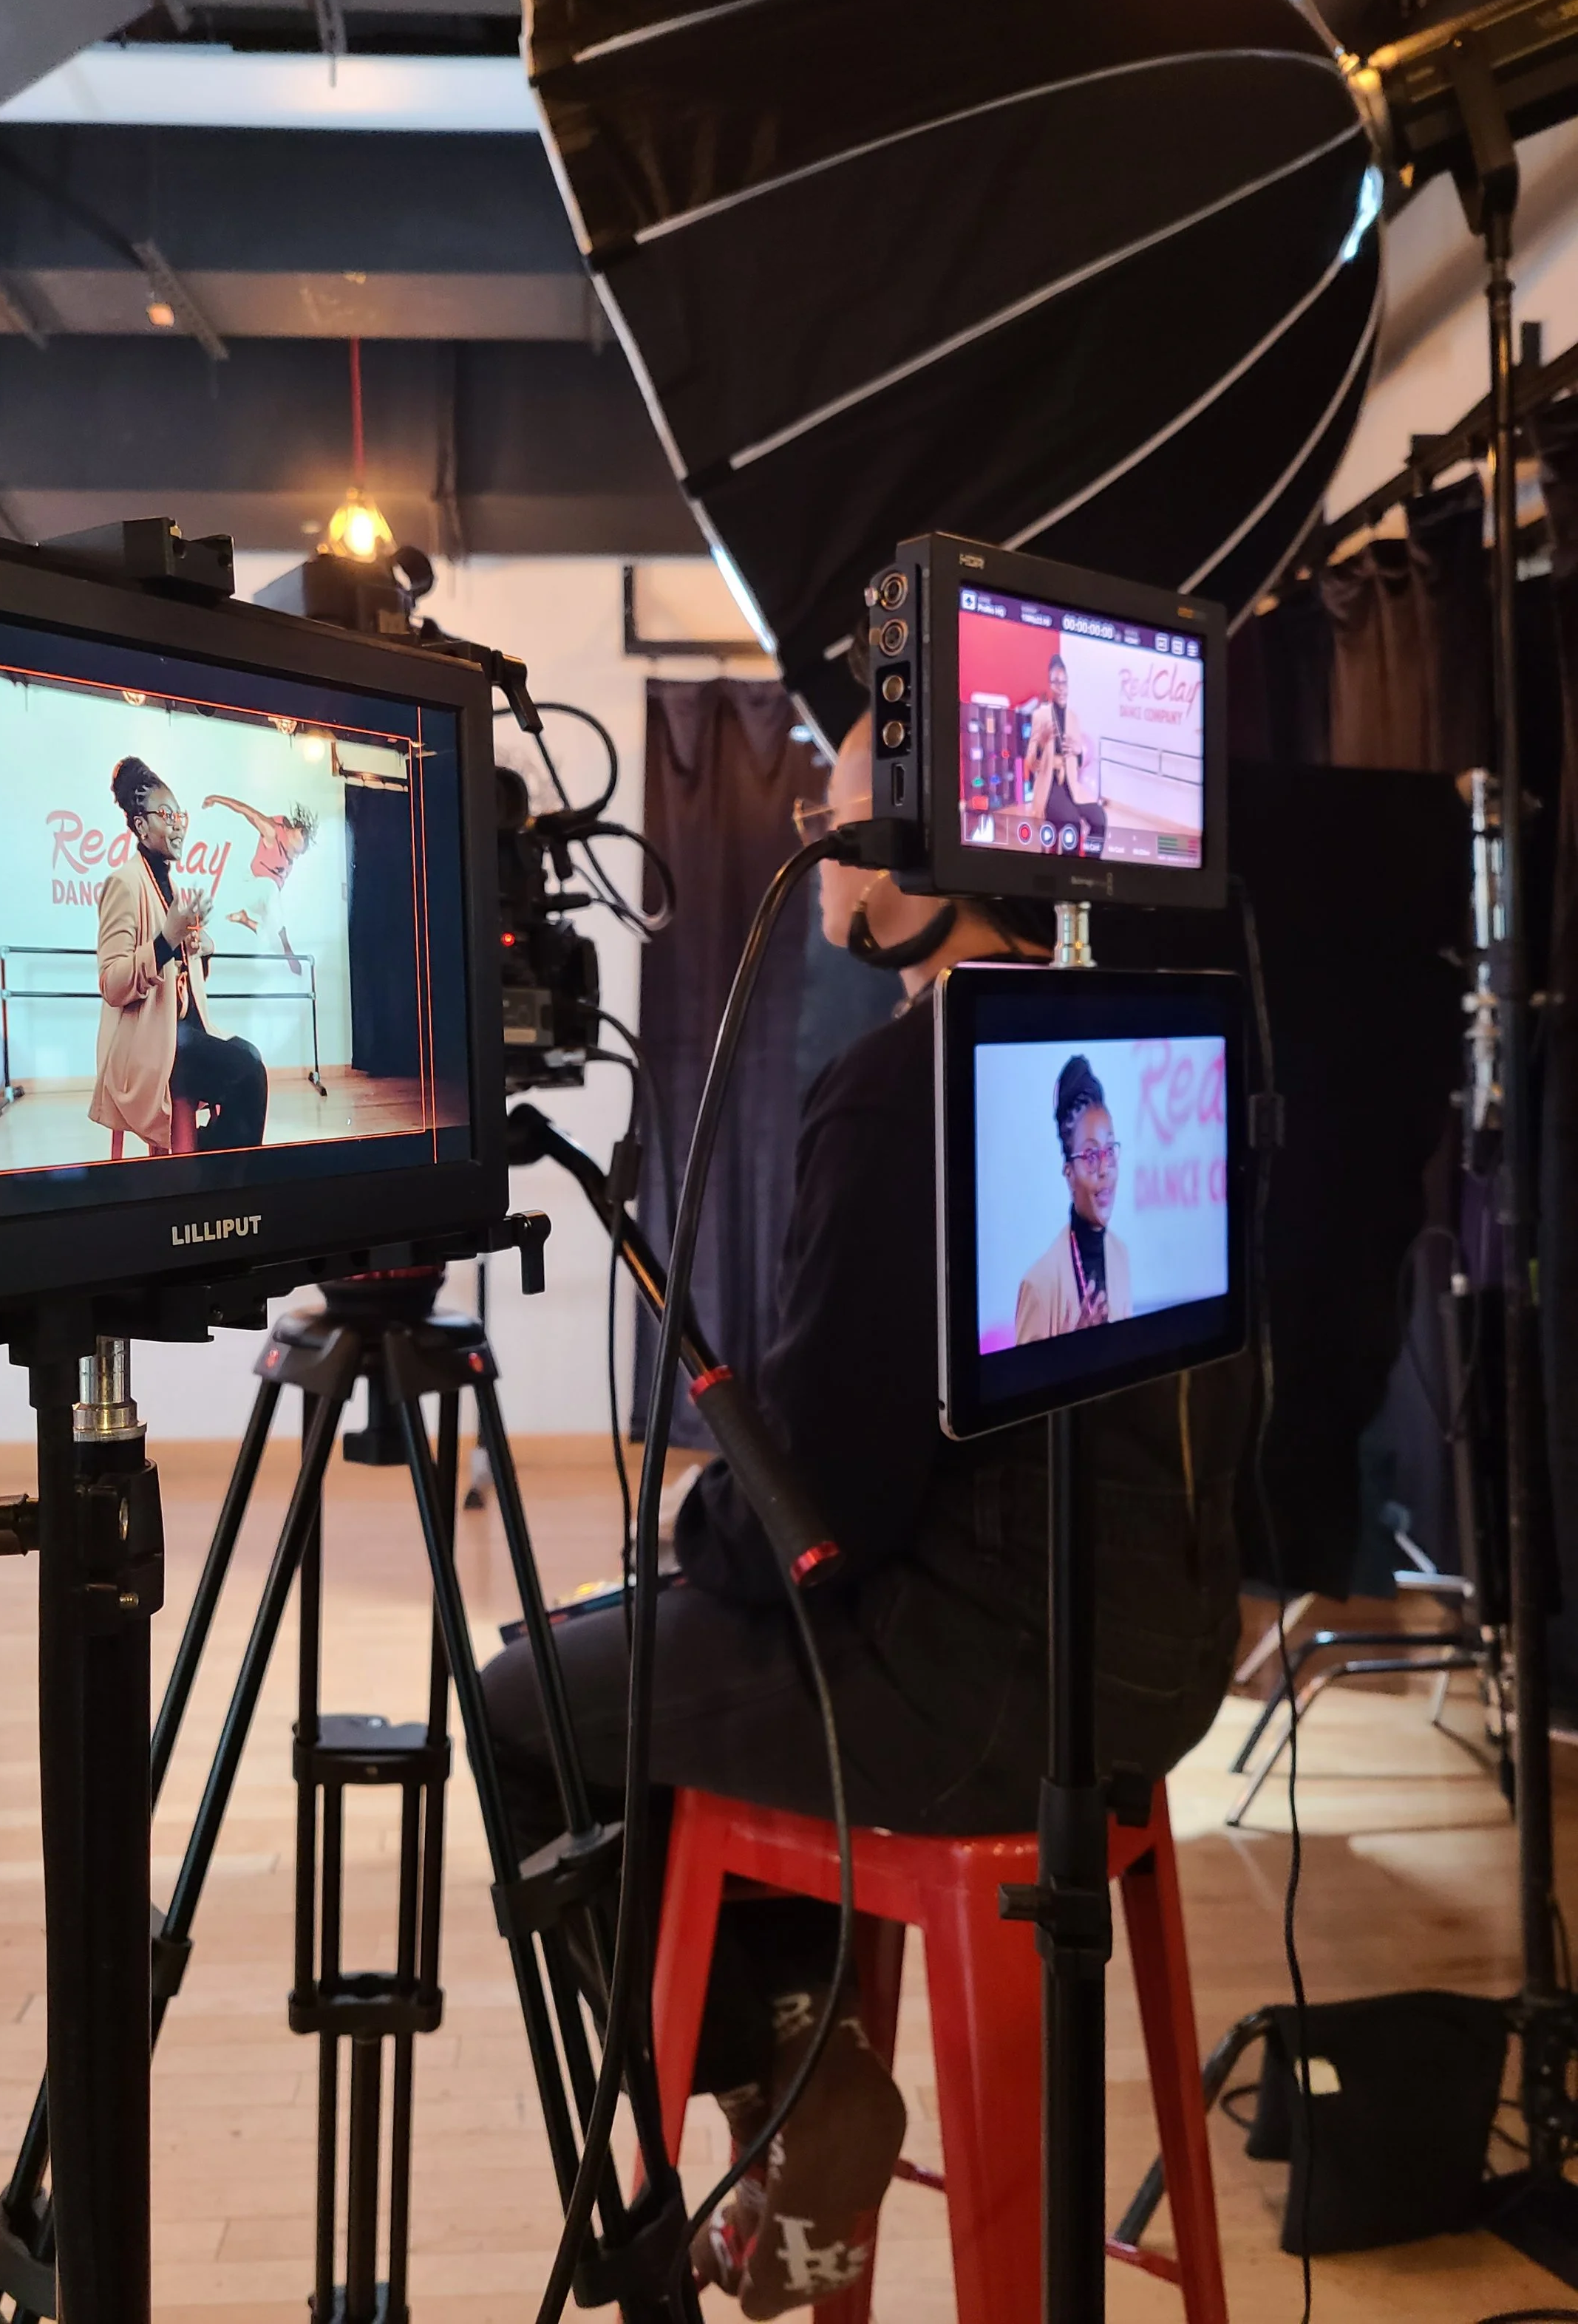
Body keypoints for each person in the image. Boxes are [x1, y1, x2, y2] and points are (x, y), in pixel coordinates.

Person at [480, 715, 1248, 2315]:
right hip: (1162, 1671)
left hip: (976, 1696)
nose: (803, 812)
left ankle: (790, 2078)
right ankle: (803, 2060)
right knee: (701, 1647)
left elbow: (813, 1515)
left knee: (528, 1695)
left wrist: (693, 1538)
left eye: (829, 782)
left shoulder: (902, 1085)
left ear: (906, 846)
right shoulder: (1155, 1036)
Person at [92, 758, 269, 1154]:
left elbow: (180, 972)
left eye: (180, 815)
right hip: (149, 1044)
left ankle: (212, 1162)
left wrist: (201, 947)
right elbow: (112, 984)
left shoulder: (171, 884)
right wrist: (167, 940)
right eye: (166, 815)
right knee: (247, 1073)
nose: (178, 824)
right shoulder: (124, 883)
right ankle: (218, 1170)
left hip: (183, 1032)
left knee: (251, 1058)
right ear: (141, 827)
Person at [1014, 1054, 1135, 1341]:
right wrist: (1071, 1349)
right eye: (1091, 1155)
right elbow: (1024, 1382)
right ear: (1069, 1173)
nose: (1105, 1169)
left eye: (1110, 1151)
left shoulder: (1121, 1257)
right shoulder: (1039, 1285)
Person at [203, 792, 316, 975]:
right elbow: (245, 810)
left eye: (298, 855)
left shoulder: (291, 853)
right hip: (250, 887)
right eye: (294, 852)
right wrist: (216, 799)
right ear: (290, 836)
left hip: (264, 898)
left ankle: (246, 920)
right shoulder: (272, 831)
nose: (294, 857)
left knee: (271, 934)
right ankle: (288, 950)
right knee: (270, 890)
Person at [1023, 652, 1107, 854]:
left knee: (1099, 818)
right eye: (1056, 682)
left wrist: (1079, 752)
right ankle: (1068, 873)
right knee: (1072, 823)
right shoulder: (1040, 716)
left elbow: (1077, 763)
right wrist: (1042, 744)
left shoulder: (1074, 718)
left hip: (1071, 785)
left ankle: (1090, 868)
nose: (1061, 688)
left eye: (1064, 682)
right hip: (1050, 785)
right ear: (1050, 685)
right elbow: (1029, 763)